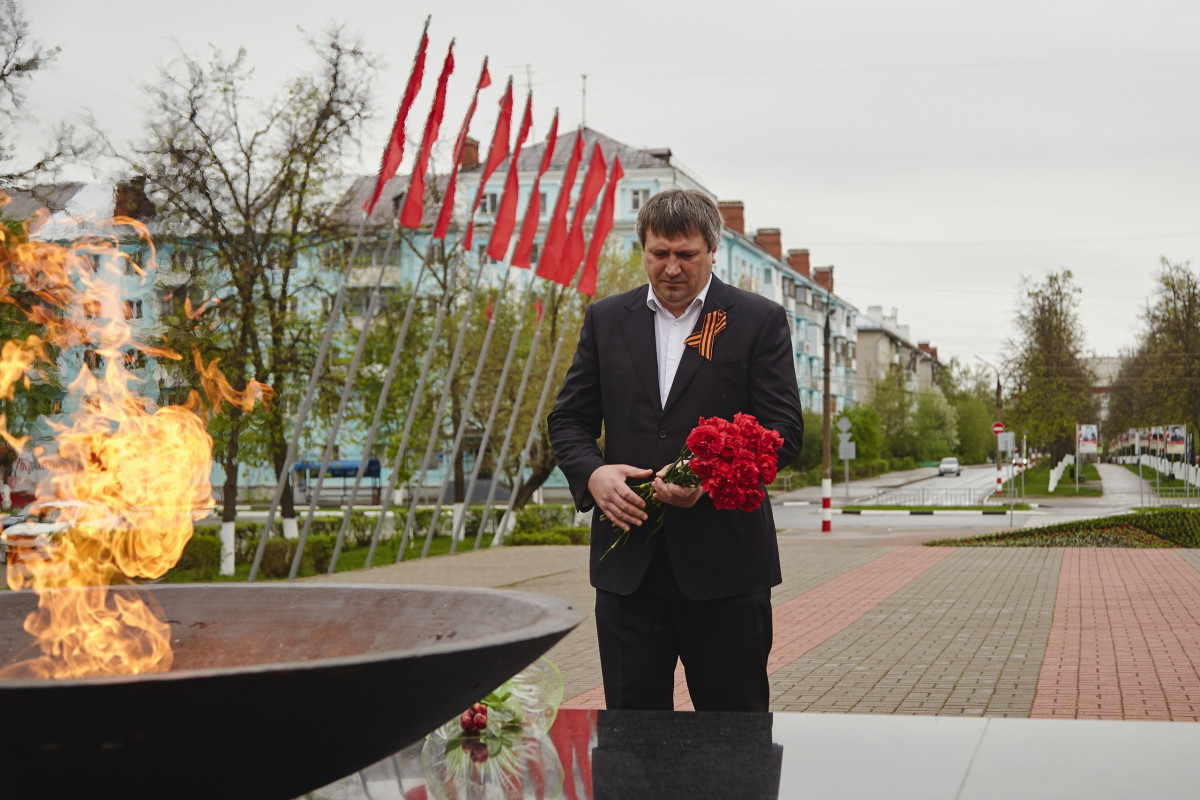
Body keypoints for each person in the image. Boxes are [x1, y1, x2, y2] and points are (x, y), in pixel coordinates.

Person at [548, 189, 804, 712]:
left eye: (685, 254)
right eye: (658, 253)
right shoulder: (606, 320)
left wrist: (707, 483)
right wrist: (593, 475)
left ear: (713, 251)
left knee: (735, 740)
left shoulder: (758, 320)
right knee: (630, 743)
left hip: (727, 573)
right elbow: (568, 420)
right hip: (628, 571)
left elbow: (783, 432)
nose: (670, 268)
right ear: (641, 250)